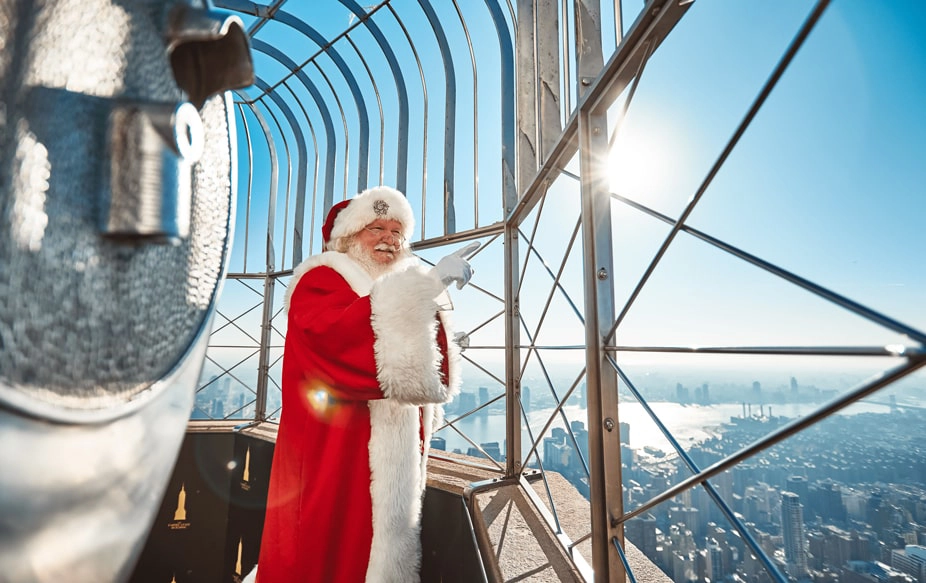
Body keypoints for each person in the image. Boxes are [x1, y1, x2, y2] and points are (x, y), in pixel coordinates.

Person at [249, 185, 476, 583]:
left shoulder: (380, 286)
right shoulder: (320, 278)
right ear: (349, 238)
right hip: (333, 456)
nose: (389, 239)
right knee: (328, 557)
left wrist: (437, 339)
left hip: (373, 457)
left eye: (396, 232)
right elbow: (339, 341)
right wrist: (428, 286)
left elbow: (401, 357)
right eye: (376, 228)